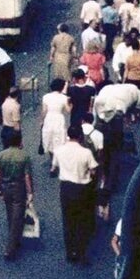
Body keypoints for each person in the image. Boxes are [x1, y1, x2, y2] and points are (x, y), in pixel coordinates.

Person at [54, 123, 99, 264]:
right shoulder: (86, 153)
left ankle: (70, 252)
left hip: (66, 188)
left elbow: (54, 167)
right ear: (80, 136)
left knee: (68, 221)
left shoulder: (59, 150)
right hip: (82, 189)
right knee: (82, 221)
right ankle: (81, 252)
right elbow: (93, 171)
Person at [0, 127, 34, 261]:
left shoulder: (1, 155)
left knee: (10, 213)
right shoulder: (24, 155)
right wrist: (30, 193)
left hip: (6, 186)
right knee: (18, 216)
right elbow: (27, 176)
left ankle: (15, 238)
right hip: (19, 187)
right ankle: (10, 247)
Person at [40, 78, 71, 176]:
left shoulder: (46, 97)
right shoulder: (63, 98)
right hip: (59, 119)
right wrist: (71, 104)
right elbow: (68, 110)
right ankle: (55, 165)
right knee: (58, 140)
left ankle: (52, 160)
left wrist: (41, 120)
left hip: (49, 118)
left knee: (49, 140)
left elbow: (44, 110)